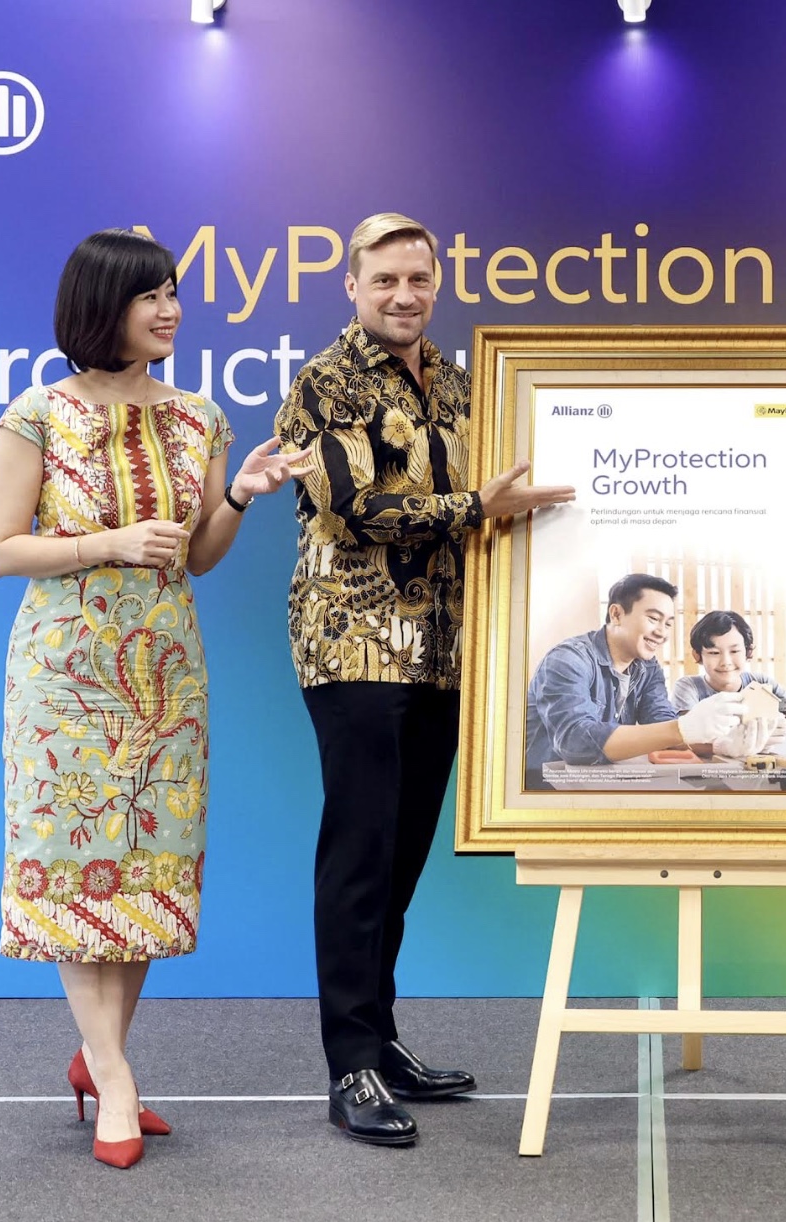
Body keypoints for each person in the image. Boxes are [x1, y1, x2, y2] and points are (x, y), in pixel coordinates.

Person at [0, 229, 305, 1169]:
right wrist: (107, 545)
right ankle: (116, 1079)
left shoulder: (201, 417)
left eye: (172, 292)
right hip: (64, 680)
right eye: (149, 295)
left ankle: (97, 1058)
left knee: (142, 873)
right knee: (78, 867)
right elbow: (0, 548)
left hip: (167, 678)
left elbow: (196, 557)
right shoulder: (37, 413)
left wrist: (239, 498)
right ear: (102, 305)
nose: (170, 310)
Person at [272, 213, 576, 1147]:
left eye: (418, 279)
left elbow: (503, 495)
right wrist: (478, 504)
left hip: (445, 651)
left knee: (401, 857)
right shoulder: (323, 382)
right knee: (359, 855)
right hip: (356, 645)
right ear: (352, 286)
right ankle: (349, 1066)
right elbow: (354, 506)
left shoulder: (459, 381)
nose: (404, 296)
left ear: (436, 283)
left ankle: (382, 1039)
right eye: (385, 280)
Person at [523, 574, 770, 786]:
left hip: (600, 787)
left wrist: (719, 746)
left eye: (668, 624)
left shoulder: (647, 667)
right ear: (616, 614)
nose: (662, 632)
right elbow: (576, 742)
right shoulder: (568, 660)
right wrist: (684, 728)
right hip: (545, 790)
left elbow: (664, 728)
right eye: (653, 618)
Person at [670, 609, 786, 736]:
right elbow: (685, 737)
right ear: (697, 655)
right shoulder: (688, 687)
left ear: (747, 652)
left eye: (735, 651)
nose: (726, 662)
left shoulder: (763, 683)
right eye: (714, 653)